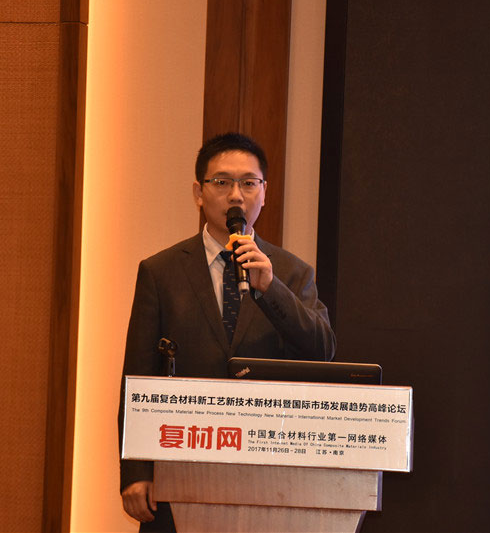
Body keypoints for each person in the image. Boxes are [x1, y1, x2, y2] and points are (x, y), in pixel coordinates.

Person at [118, 133, 336, 531]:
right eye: (222, 182)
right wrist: (135, 470)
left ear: (264, 193)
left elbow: (322, 350)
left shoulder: (291, 272)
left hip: (269, 472)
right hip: (181, 466)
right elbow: (138, 373)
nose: (236, 195)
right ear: (198, 193)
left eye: (249, 183)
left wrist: (271, 289)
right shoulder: (161, 272)